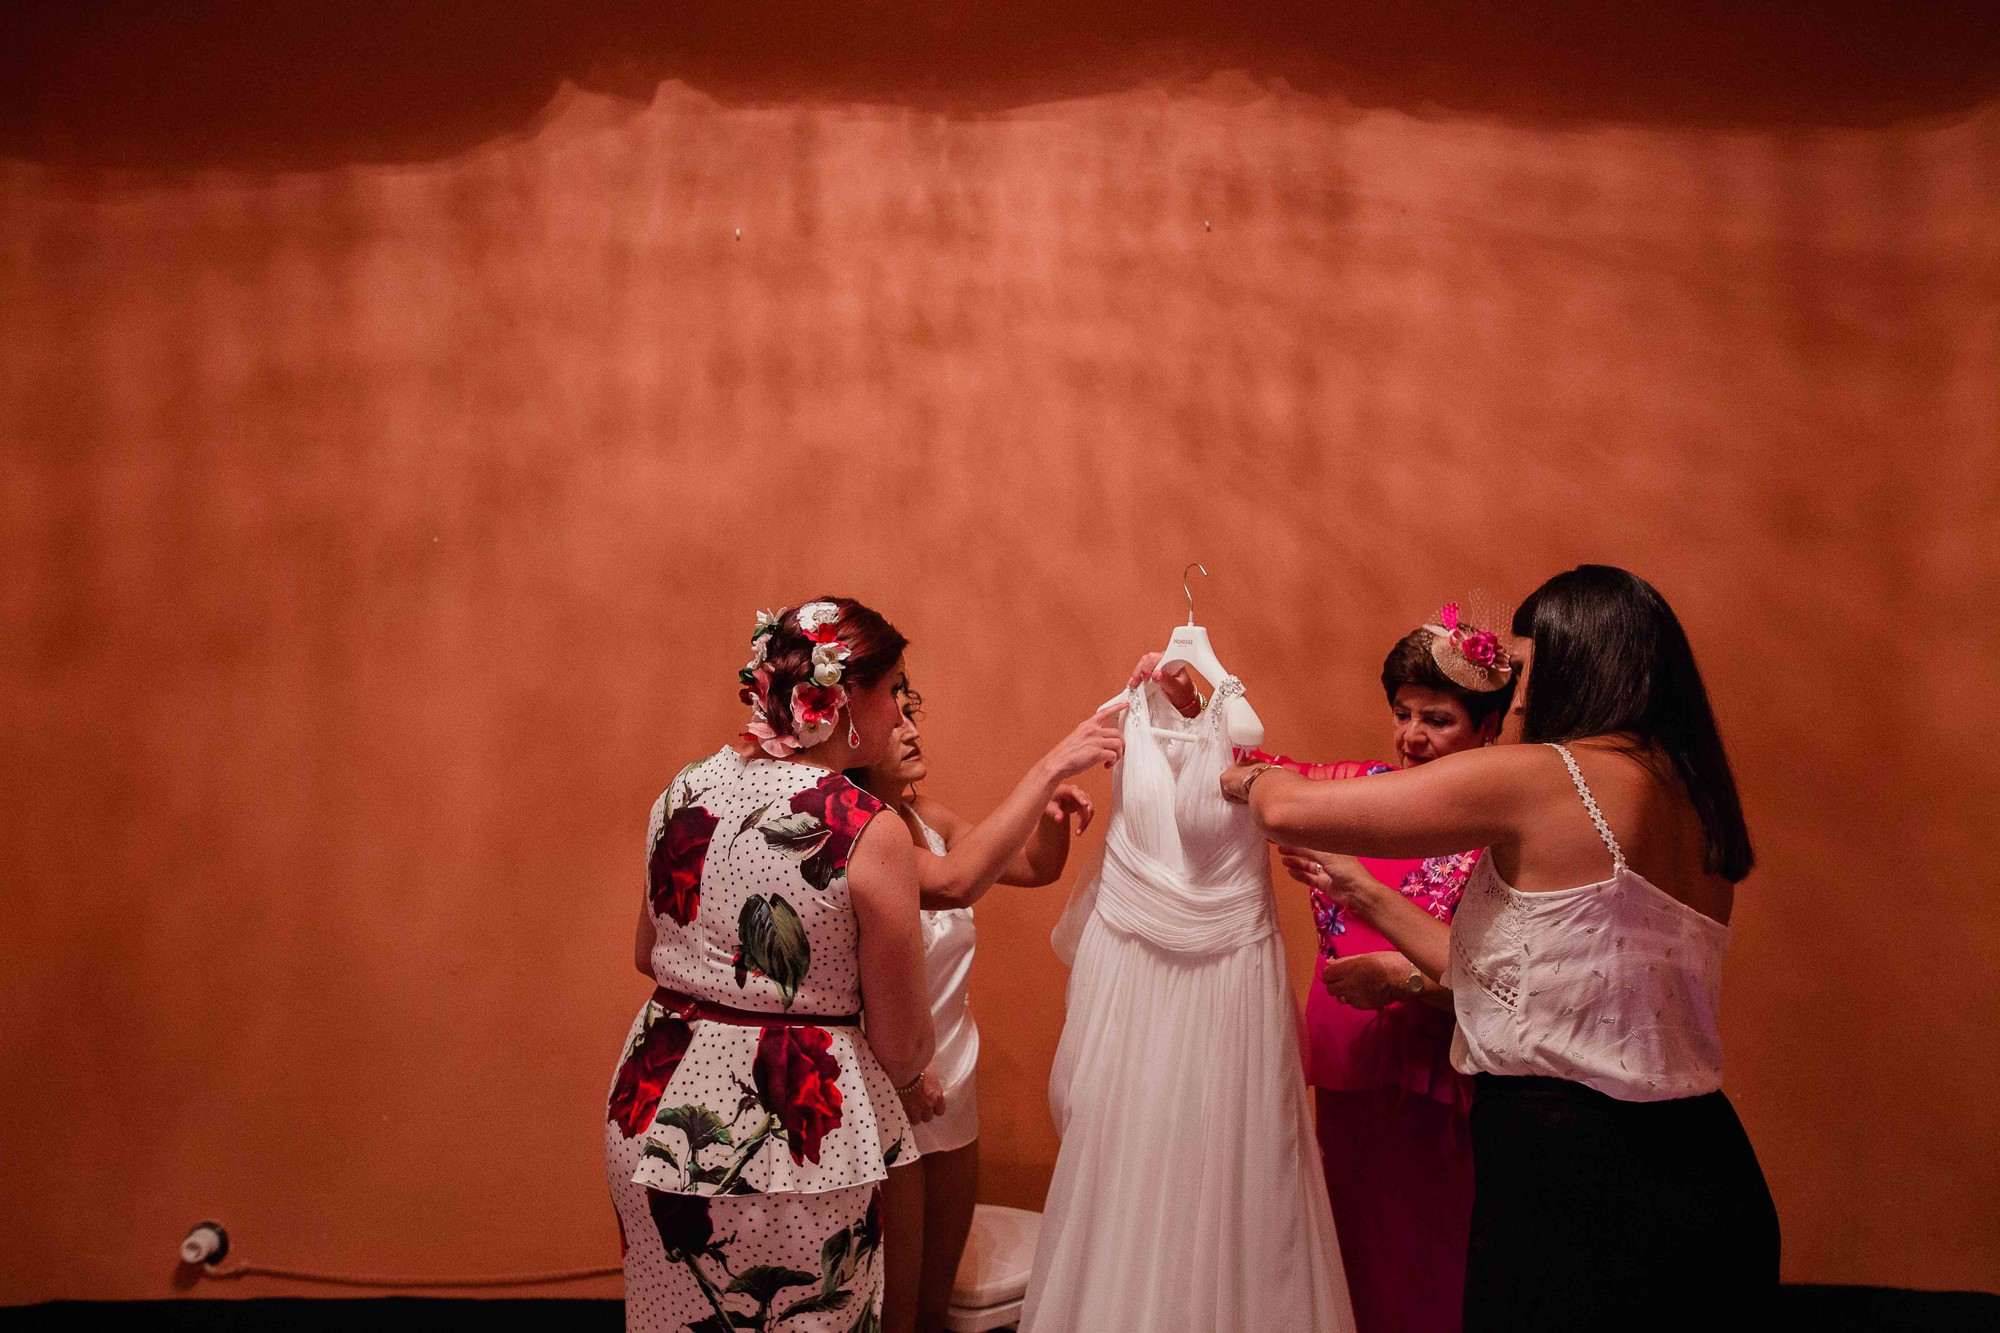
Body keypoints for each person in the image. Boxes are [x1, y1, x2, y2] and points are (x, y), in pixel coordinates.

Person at [1222, 566, 1779, 1331]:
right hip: (1703, 1160)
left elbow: (1290, 805)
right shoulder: (1698, 800)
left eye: (1528, 669)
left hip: (1576, 1172)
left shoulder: (1549, 777)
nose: (1518, 697)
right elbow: (1484, 972)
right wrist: (1360, 891)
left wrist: (1246, 778)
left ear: (1583, 663)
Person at [1142, 603, 1513, 1333]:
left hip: (1444, 1095)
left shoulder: (1503, 831)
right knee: (1342, 1267)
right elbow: (1243, 770)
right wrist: (1189, 710)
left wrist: (1399, 977)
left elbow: (1513, 981)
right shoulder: (1356, 790)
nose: (1411, 735)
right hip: (1346, 1081)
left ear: (1490, 729)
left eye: (1437, 719)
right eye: (1403, 712)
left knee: (1434, 1275)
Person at [604, 597, 941, 1333]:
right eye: (895, 692)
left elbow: (645, 949)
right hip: (788, 1138)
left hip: (656, 1105)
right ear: (846, 701)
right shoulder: (862, 826)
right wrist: (916, 1081)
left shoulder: (684, 788)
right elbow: (902, 1040)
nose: (901, 713)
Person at [1022, 661, 1355, 1333]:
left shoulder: (1240, 730)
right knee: (1129, 1179)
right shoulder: (1127, 721)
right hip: (1134, 977)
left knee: (1240, 1180)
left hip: (1231, 991)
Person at [852, 689, 1119, 1333]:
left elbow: (1029, 866)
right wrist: (1050, 767)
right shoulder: (859, 834)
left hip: (956, 1075)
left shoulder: (928, 820)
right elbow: (956, 881)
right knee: (893, 1309)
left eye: (912, 712)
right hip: (890, 1081)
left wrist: (1051, 822)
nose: (911, 729)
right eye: (895, 721)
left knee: (933, 1305)